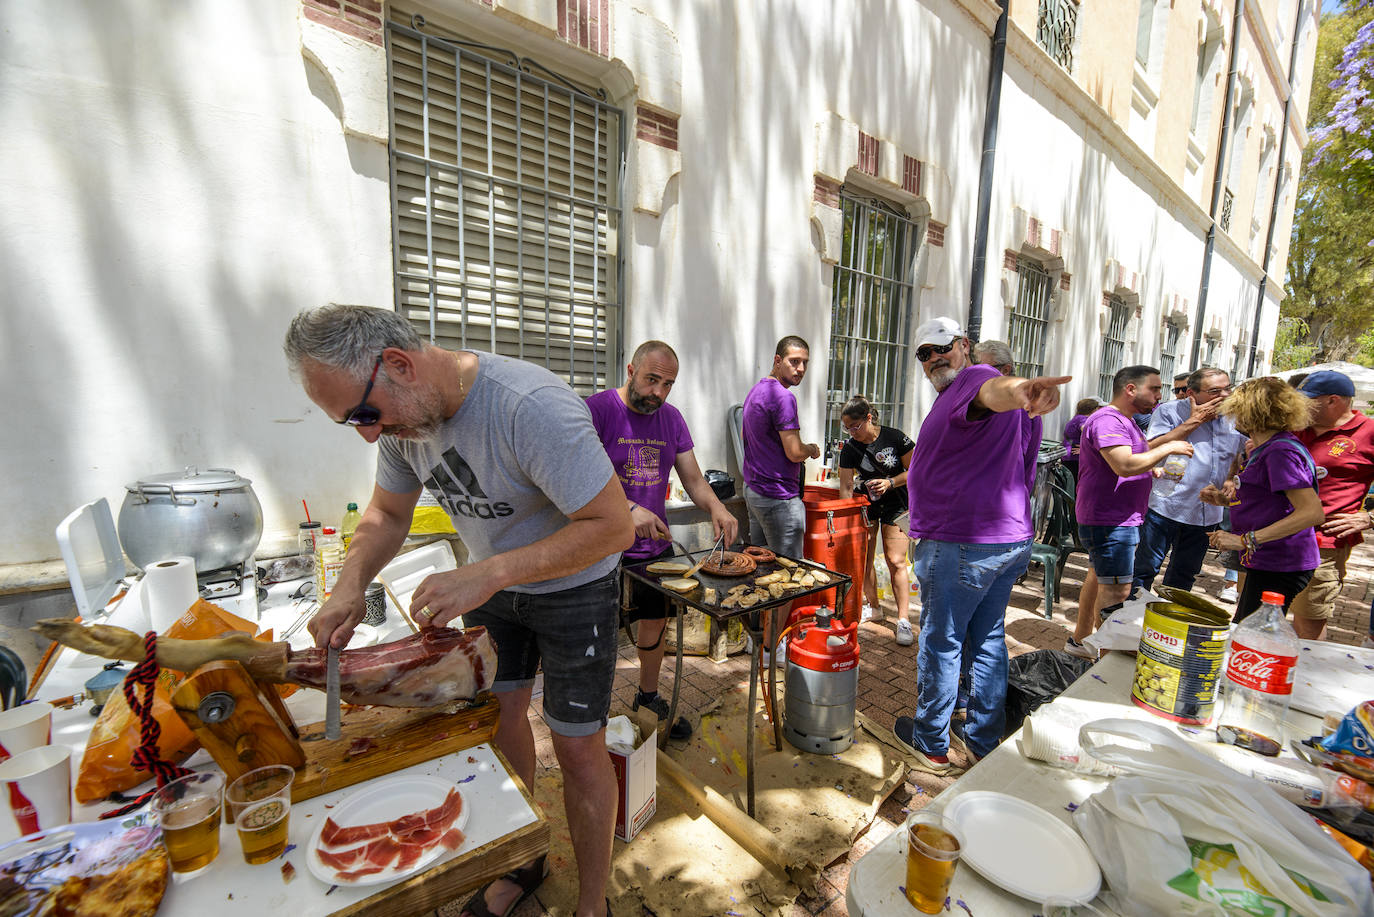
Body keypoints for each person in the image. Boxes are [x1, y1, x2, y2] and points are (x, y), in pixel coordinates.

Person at [284, 305, 632, 917]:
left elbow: (613, 528)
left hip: (576, 587)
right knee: (497, 721)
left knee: (578, 748)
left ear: (399, 365)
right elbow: (387, 514)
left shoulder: (528, 407)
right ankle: (523, 861)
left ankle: (593, 903)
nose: (368, 433)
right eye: (350, 424)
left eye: (365, 414)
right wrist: (348, 585)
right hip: (491, 586)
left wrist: (489, 571)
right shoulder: (402, 425)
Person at [890, 316, 1070, 772]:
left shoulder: (976, 377)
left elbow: (996, 389)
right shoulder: (970, 400)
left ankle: (930, 740)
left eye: (941, 348)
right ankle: (983, 738)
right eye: (923, 354)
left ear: (964, 346)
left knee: (941, 639)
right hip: (1004, 539)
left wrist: (1023, 388)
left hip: (963, 541)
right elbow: (1026, 468)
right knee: (987, 638)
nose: (933, 359)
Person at [587, 341, 738, 738]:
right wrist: (626, 510)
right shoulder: (597, 410)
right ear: (631, 369)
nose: (658, 392)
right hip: (599, 546)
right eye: (652, 379)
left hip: (654, 548)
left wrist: (716, 508)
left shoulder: (671, 419)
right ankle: (590, 716)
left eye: (667, 384)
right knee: (596, 634)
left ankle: (647, 696)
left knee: (654, 623)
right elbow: (578, 477)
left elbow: (692, 478)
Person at [1067, 366, 1194, 659]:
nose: (1160, 395)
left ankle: (1082, 643)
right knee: (1117, 592)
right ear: (1131, 389)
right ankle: (1105, 660)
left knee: (1102, 579)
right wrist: (1169, 447)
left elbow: (1134, 454)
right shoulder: (1109, 420)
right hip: (1111, 521)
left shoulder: (1124, 420)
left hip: (1115, 518)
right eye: (1155, 388)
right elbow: (1124, 464)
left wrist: (1152, 466)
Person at [1204, 377, 1323, 623]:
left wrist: (1245, 540)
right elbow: (1272, 501)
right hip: (1269, 560)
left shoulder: (1280, 451)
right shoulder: (1269, 448)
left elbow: (1311, 512)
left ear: (1250, 411)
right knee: (1246, 630)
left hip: (1282, 563)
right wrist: (1223, 501)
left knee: (1251, 638)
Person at [1130, 367, 1246, 596]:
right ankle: (1130, 618)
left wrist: (1233, 477)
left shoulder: (1237, 417)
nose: (1224, 396)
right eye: (1215, 391)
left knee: (1184, 575)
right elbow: (1150, 447)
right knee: (1144, 569)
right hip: (1167, 506)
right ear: (1192, 393)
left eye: (1228, 389)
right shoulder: (1169, 412)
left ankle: (1167, 622)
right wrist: (1195, 421)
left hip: (1207, 514)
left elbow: (1240, 453)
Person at [742, 336, 821, 647]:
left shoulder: (757, 391)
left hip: (755, 493)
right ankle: (771, 647)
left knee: (760, 571)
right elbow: (793, 451)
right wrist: (811, 449)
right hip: (778, 499)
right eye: (794, 361)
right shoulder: (783, 397)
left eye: (805, 363)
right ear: (777, 360)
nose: (800, 369)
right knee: (788, 577)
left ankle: (755, 640)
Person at [1288, 371, 1374, 640]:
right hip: (1274, 535)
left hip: (1322, 543)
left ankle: (1306, 680)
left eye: (1308, 400)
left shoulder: (1368, 433)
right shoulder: (1295, 427)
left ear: (1333, 401)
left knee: (1308, 624)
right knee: (1264, 612)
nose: (1300, 406)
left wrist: (1368, 518)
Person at [835, 395, 915, 645]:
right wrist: (845, 517)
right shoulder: (849, 448)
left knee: (896, 560)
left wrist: (891, 482)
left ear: (869, 418)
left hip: (897, 504)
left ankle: (903, 619)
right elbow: (846, 487)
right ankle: (875, 607)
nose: (851, 432)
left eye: (855, 426)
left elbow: (916, 471)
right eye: (846, 428)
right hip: (866, 505)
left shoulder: (894, 438)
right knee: (865, 559)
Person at [1061, 398, 1099, 478]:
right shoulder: (1082, 419)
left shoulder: (1077, 418)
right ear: (1093, 410)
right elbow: (1086, 430)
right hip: (1074, 458)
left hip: (1068, 456)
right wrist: (1088, 448)